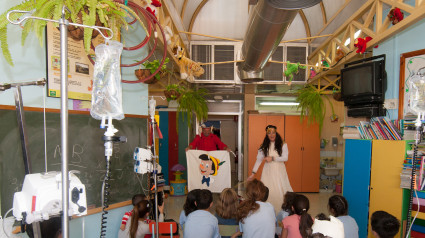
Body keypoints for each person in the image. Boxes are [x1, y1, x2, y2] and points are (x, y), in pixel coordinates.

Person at [248, 125, 293, 212]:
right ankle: (266, 211)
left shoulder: (282, 144)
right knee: (267, 190)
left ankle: (281, 211)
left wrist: (272, 158)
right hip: (268, 171)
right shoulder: (264, 146)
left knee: (280, 190)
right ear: (267, 135)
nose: (271, 135)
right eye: (269, 133)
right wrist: (253, 173)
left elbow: (285, 158)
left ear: (276, 133)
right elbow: (258, 160)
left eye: (273, 132)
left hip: (279, 170)